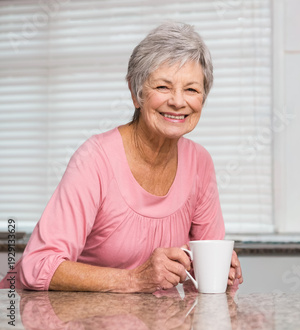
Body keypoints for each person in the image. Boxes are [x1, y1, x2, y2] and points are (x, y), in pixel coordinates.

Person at [1, 21, 243, 292]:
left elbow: (204, 270)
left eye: (192, 89)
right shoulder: (95, 159)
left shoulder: (200, 163)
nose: (178, 101)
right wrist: (134, 280)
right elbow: (37, 265)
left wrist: (221, 271)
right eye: (163, 87)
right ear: (135, 93)